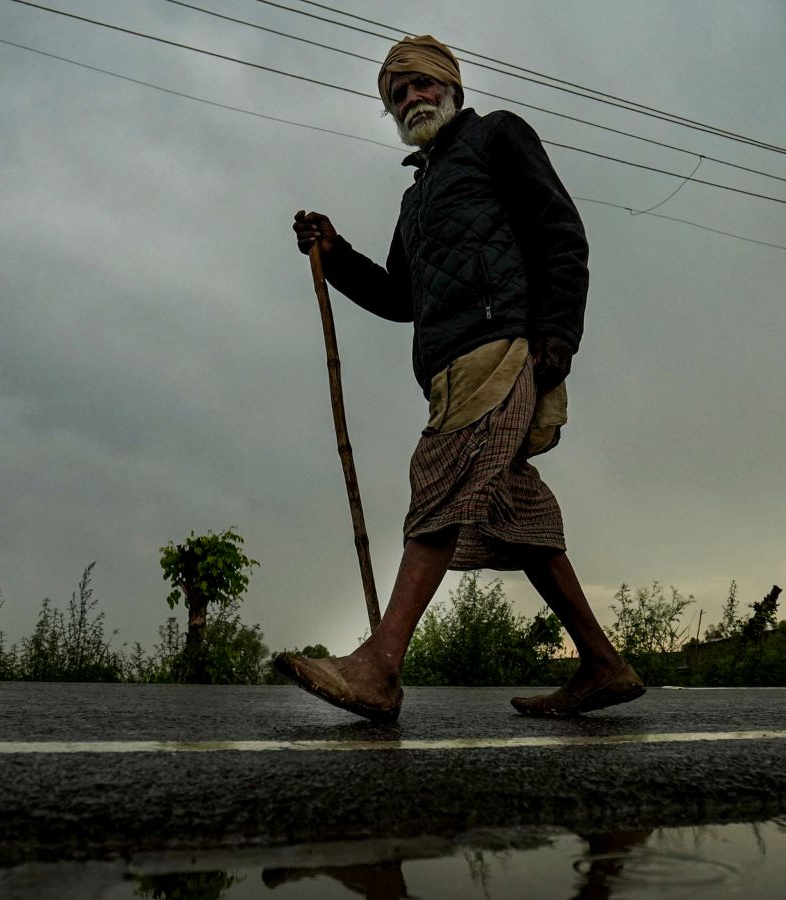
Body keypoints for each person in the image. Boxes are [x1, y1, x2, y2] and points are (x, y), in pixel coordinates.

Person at [277, 34, 642, 722]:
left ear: (451, 87)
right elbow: (399, 298)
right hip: (444, 366)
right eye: (397, 94)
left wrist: (558, 333)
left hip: (503, 348)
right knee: (516, 512)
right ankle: (602, 663)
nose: (410, 98)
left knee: (438, 480)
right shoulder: (415, 202)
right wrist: (336, 252)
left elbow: (561, 231)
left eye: (420, 85)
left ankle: (379, 667)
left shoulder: (498, 137)